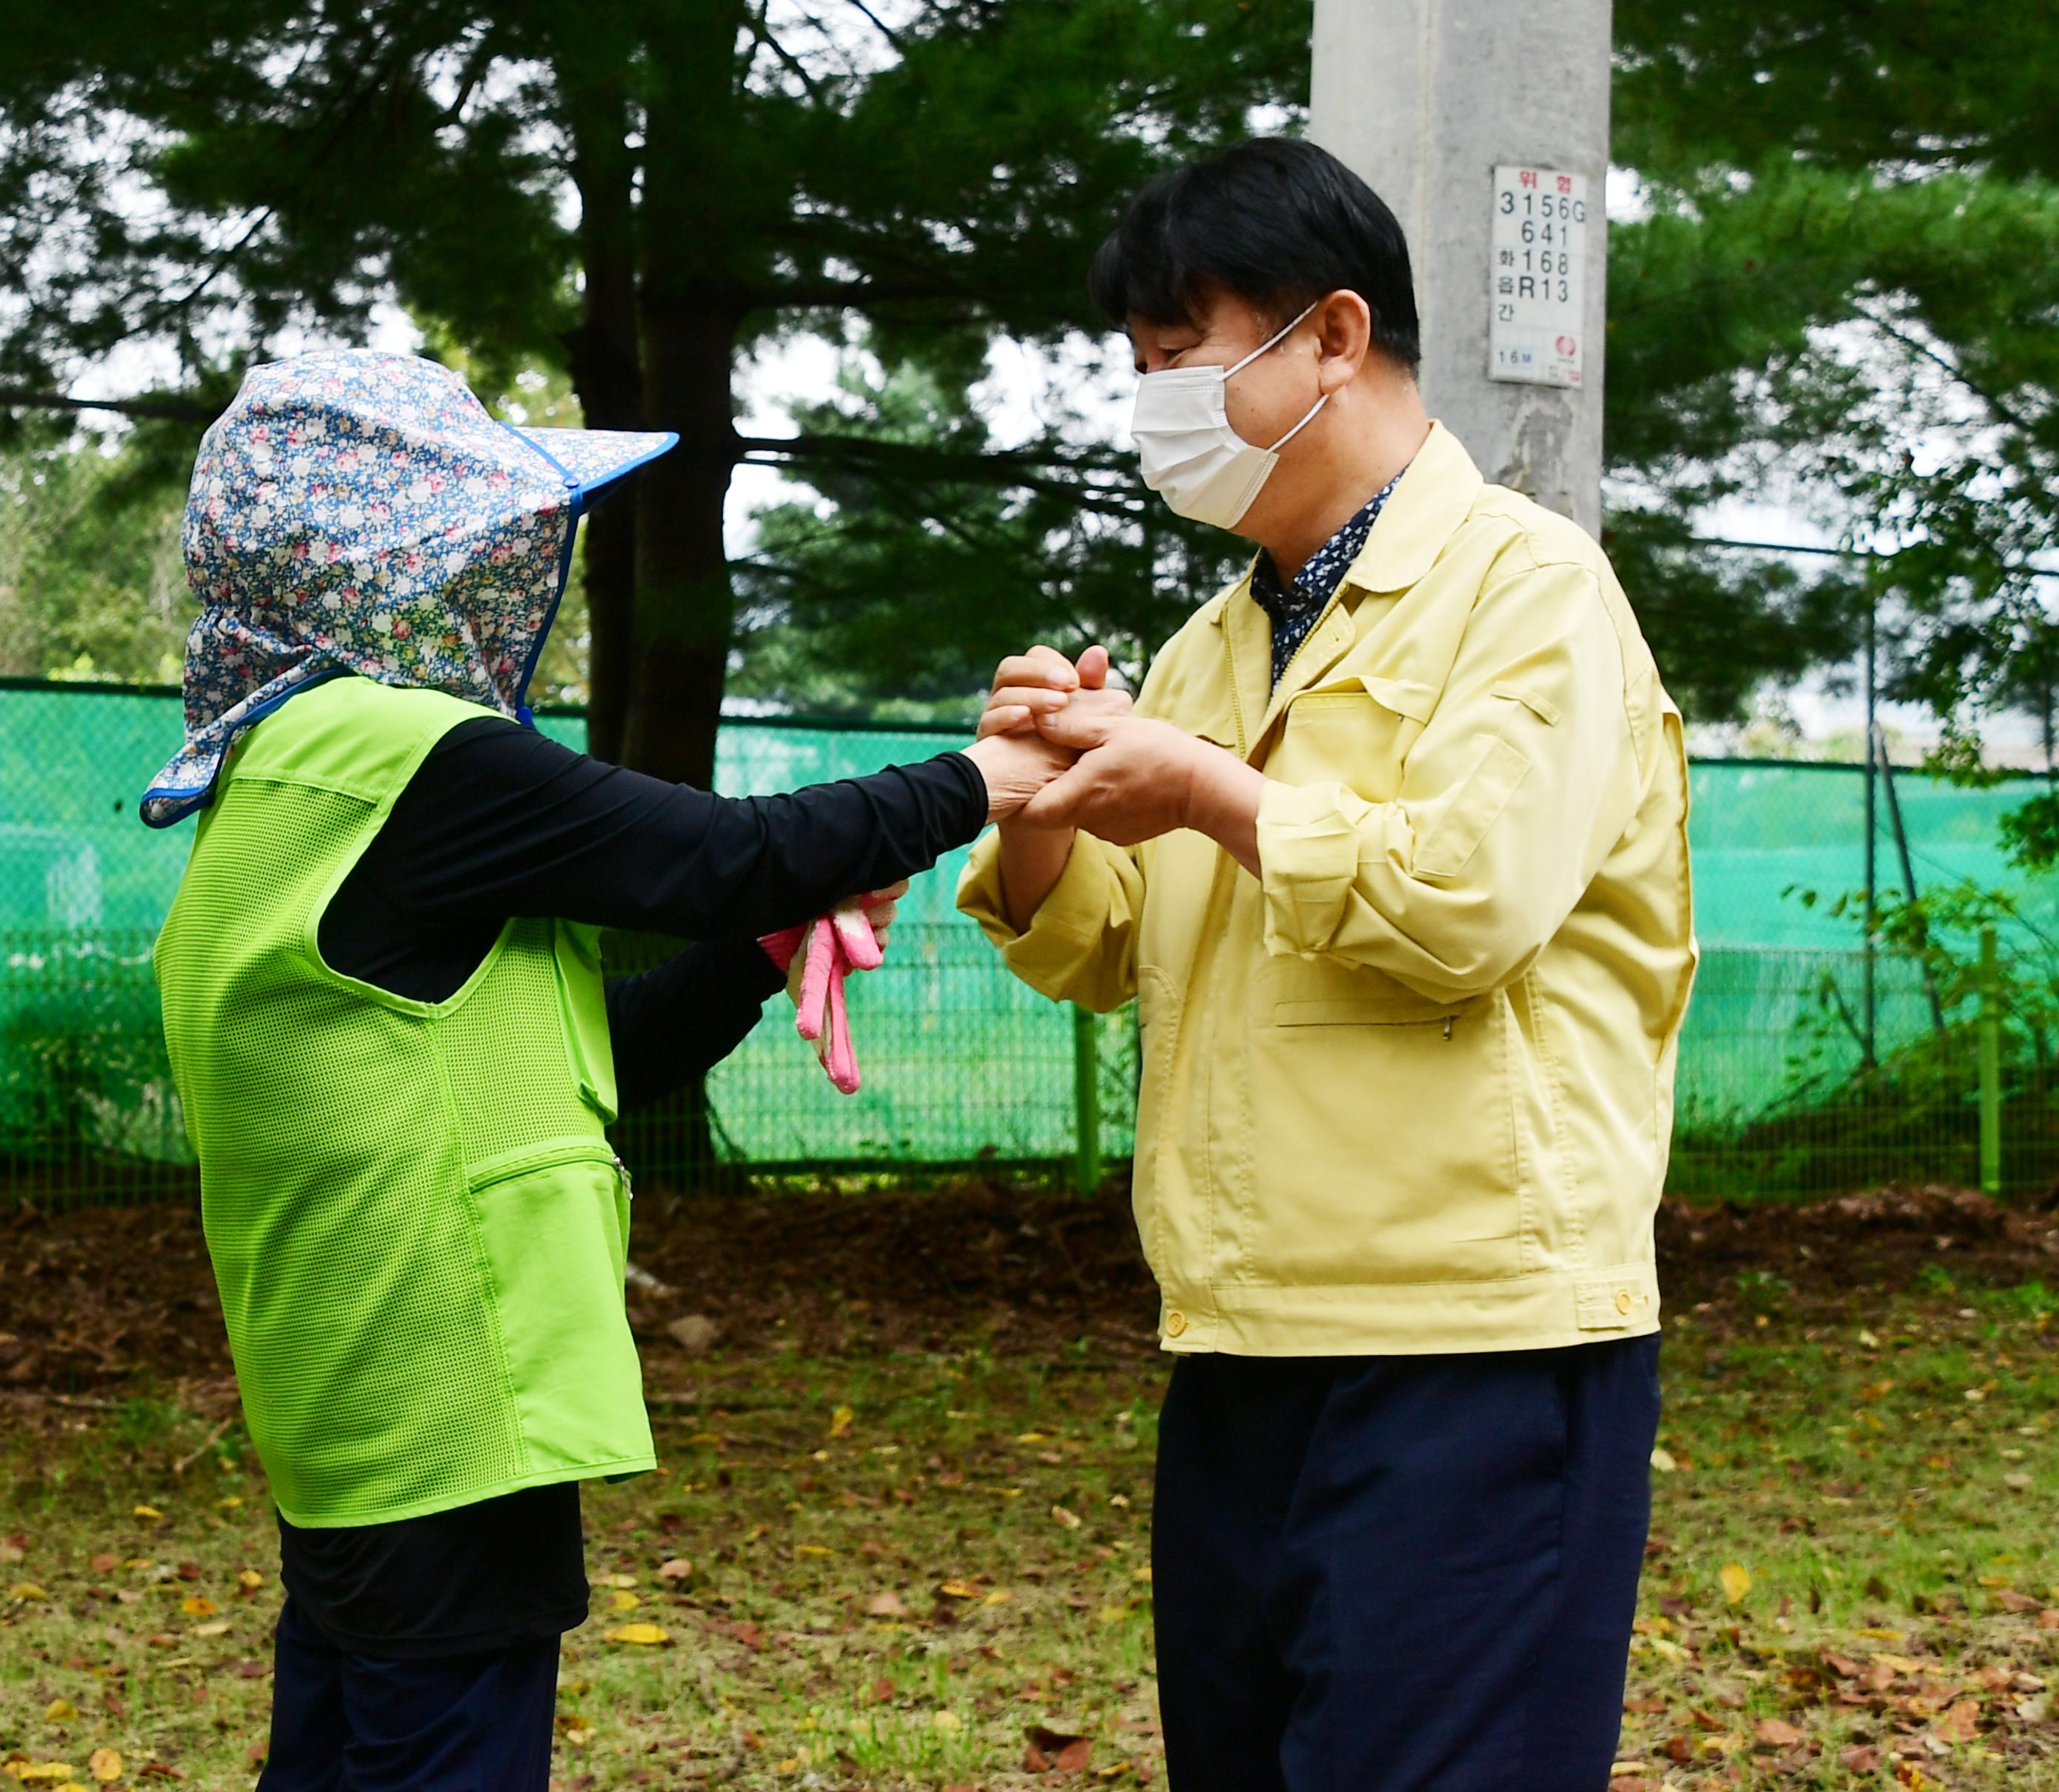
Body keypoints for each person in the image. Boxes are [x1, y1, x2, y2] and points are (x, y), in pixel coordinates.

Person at [144, 351, 1069, 1792]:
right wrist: (977, 784)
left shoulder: (269, 784)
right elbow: (724, 850)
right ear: (385, 562)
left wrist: (762, 952)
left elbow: (581, 1062)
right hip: (451, 1410)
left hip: (358, 1427)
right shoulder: (410, 757)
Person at [961, 139, 1696, 1791]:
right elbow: (1116, 947)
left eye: (1184, 360)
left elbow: (1468, 905)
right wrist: (1040, 808)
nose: (1155, 406)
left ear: (1335, 338)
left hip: (1475, 1338)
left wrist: (1208, 788)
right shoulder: (1211, 642)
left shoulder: (1530, 589)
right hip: (1240, 1334)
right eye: (1139, 371)